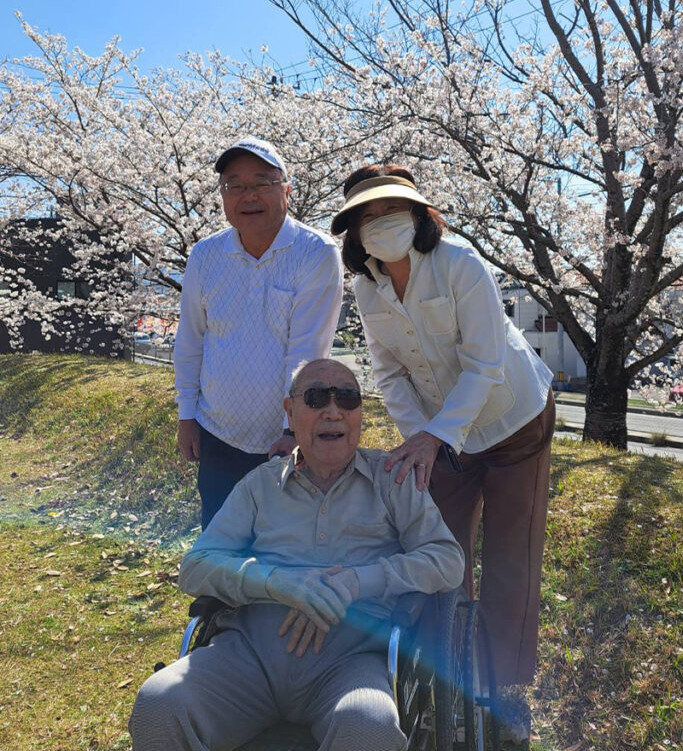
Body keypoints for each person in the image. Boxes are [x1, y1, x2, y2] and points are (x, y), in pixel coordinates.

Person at [130, 358, 464, 751]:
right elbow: (196, 567)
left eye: (348, 398)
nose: (333, 411)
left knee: (369, 727)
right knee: (159, 705)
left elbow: (447, 560)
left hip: (350, 662)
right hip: (248, 657)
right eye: (317, 397)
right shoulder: (260, 486)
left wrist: (357, 582)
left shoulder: (392, 480)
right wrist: (278, 583)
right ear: (290, 412)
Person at [331, 165, 555, 744]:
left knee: (511, 550)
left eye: (392, 211)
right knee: (437, 548)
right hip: (440, 431)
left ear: (418, 213)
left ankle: (502, 691)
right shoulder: (365, 287)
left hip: (514, 420)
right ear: (355, 234)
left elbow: (486, 364)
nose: (382, 224)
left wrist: (437, 434)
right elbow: (387, 368)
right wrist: (420, 438)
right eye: (368, 217)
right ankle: (446, 669)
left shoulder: (460, 264)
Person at [174, 136, 343, 527]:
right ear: (222, 195)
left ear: (286, 190)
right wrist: (187, 415)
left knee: (282, 548)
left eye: (262, 183)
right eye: (235, 185)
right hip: (217, 430)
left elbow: (308, 350)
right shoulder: (205, 255)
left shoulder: (315, 253)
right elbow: (191, 339)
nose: (248, 195)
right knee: (221, 543)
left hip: (283, 440)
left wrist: (293, 428)